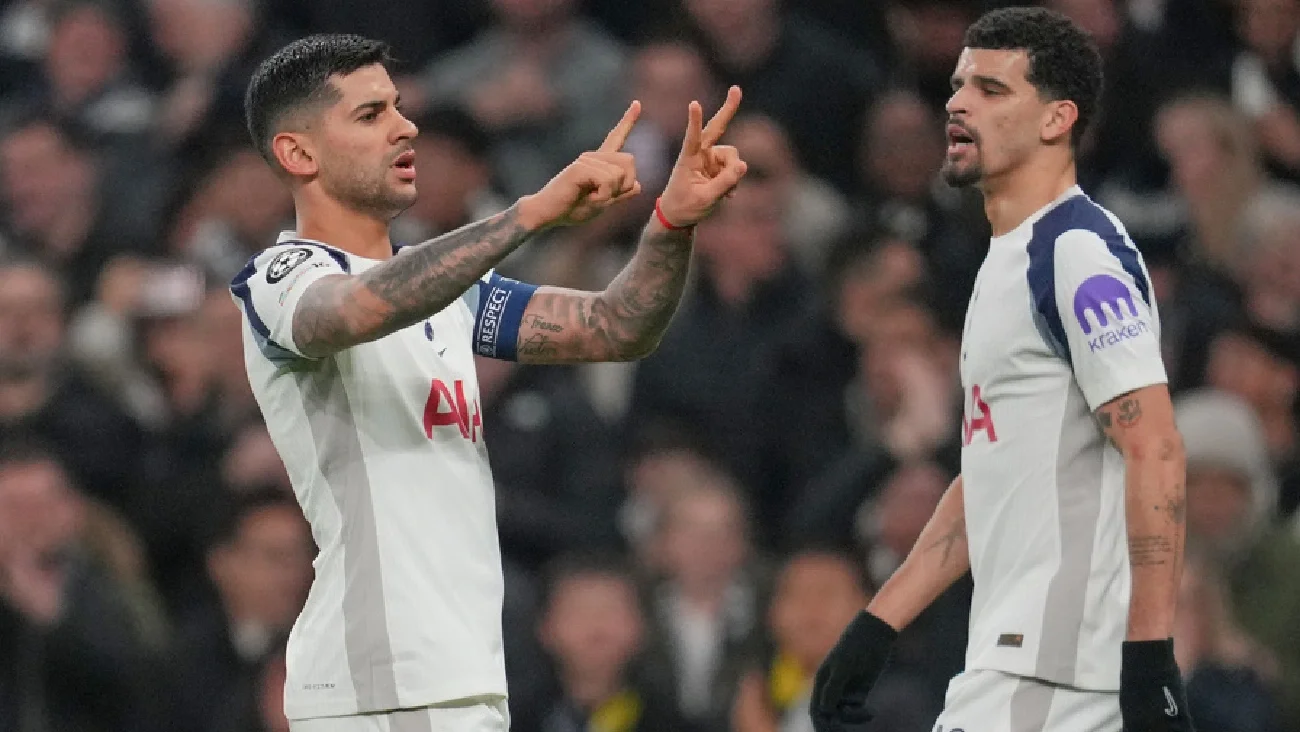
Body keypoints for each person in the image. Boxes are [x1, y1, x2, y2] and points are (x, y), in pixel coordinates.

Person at [230, 33, 747, 732]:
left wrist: (670, 224)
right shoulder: (280, 277)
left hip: (462, 677)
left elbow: (616, 326)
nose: (405, 127)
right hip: (372, 681)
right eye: (370, 114)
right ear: (298, 154)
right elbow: (355, 309)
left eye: (399, 107)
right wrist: (530, 213)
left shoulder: (452, 293)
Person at [811, 8, 1195, 732]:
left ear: (1056, 119)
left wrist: (1150, 656)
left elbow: (1156, 446)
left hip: (1059, 669)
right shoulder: (1007, 262)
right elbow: (994, 472)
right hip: (1021, 658)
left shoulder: (1075, 253)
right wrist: (877, 626)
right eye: (959, 85)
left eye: (990, 90)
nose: (957, 104)